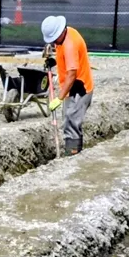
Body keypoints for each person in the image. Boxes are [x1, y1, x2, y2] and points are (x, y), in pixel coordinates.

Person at [41, 15, 93, 155]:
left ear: (59, 32)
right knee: (69, 118)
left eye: (53, 40)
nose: (52, 43)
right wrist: (55, 62)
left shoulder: (69, 44)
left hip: (80, 88)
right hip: (72, 87)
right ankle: (74, 150)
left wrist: (59, 98)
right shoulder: (66, 34)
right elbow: (67, 58)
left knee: (71, 120)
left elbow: (72, 74)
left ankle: (72, 153)